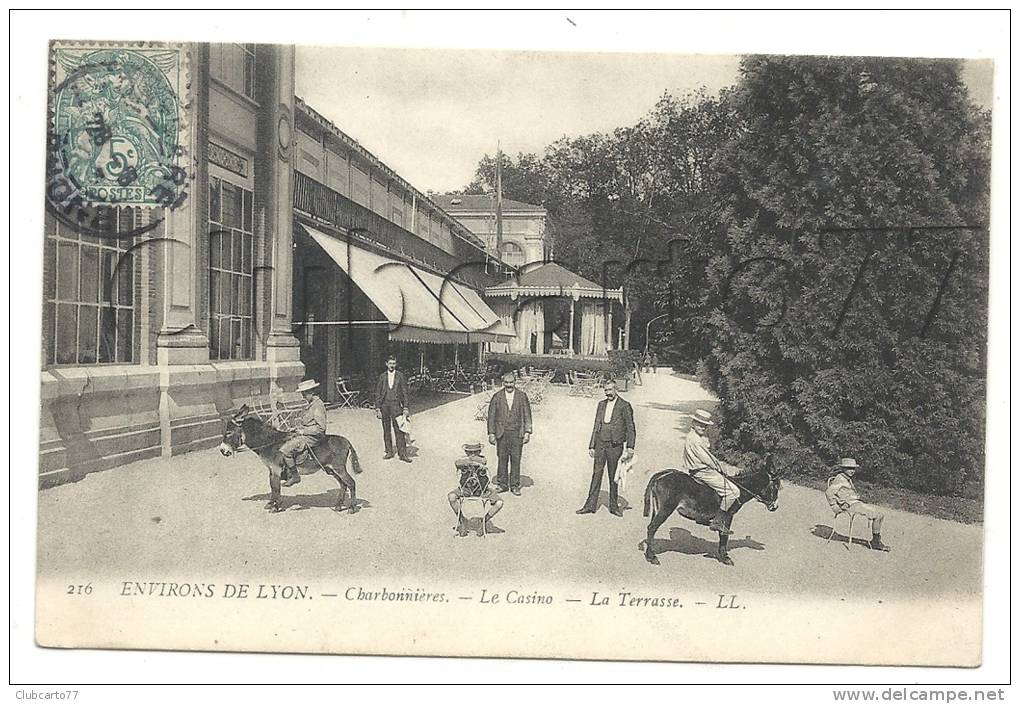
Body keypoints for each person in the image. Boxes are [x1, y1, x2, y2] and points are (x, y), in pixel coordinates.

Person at [577, 379, 636, 517]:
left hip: (615, 445)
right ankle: (590, 505)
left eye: (610, 390)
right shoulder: (601, 404)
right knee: (596, 474)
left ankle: (614, 506)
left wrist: (630, 447)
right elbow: (596, 425)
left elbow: (631, 428)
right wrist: (592, 445)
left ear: (616, 389)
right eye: (605, 390)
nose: (608, 393)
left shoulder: (625, 405)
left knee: (613, 476)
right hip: (600, 444)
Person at [681, 409, 739, 535]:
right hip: (702, 471)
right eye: (700, 424)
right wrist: (719, 467)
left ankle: (705, 515)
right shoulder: (695, 439)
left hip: (701, 469)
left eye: (705, 425)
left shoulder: (695, 437)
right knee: (733, 492)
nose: (702, 427)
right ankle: (718, 521)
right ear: (693, 424)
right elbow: (706, 459)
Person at [825, 458, 891, 551]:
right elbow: (829, 492)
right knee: (877, 515)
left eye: (853, 468)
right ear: (843, 468)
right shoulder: (840, 479)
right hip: (850, 505)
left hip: (855, 503)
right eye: (849, 468)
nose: (852, 471)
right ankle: (876, 542)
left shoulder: (846, 478)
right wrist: (834, 506)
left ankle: (876, 540)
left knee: (881, 515)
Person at [486, 372, 533, 496]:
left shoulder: (522, 396)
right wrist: (491, 433)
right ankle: (502, 484)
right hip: (502, 434)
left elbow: (527, 414)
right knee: (502, 459)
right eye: (506, 383)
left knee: (516, 459)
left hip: (517, 434)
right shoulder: (497, 397)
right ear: (503, 383)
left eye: (511, 382)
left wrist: (527, 432)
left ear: (515, 382)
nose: (509, 385)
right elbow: (491, 416)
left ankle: (515, 485)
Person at [278, 379, 328, 487]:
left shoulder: (318, 405)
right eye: (302, 394)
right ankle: (285, 471)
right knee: (284, 439)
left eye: (305, 394)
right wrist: (297, 428)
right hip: (306, 434)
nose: (303, 396)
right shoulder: (310, 404)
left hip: (314, 437)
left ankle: (295, 476)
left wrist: (303, 431)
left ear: (312, 392)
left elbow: (321, 428)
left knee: (285, 450)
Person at [448, 442, 504, 537]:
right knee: (451, 497)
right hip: (466, 489)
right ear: (466, 452)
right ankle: (462, 521)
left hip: (482, 490)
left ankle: (483, 522)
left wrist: (470, 460)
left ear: (479, 451)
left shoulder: (482, 459)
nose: (472, 454)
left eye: (475, 452)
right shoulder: (463, 460)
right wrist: (469, 461)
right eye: (470, 452)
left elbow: (483, 462)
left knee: (499, 503)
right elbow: (457, 463)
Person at [374, 355, 411, 462]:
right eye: (390, 363)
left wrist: (405, 407)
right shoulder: (382, 376)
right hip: (384, 405)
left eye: (394, 363)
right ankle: (389, 452)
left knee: (399, 429)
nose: (392, 365)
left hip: (396, 405)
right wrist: (377, 408)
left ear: (396, 364)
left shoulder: (400, 376)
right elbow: (378, 393)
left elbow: (405, 392)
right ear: (386, 364)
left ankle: (402, 454)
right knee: (386, 430)